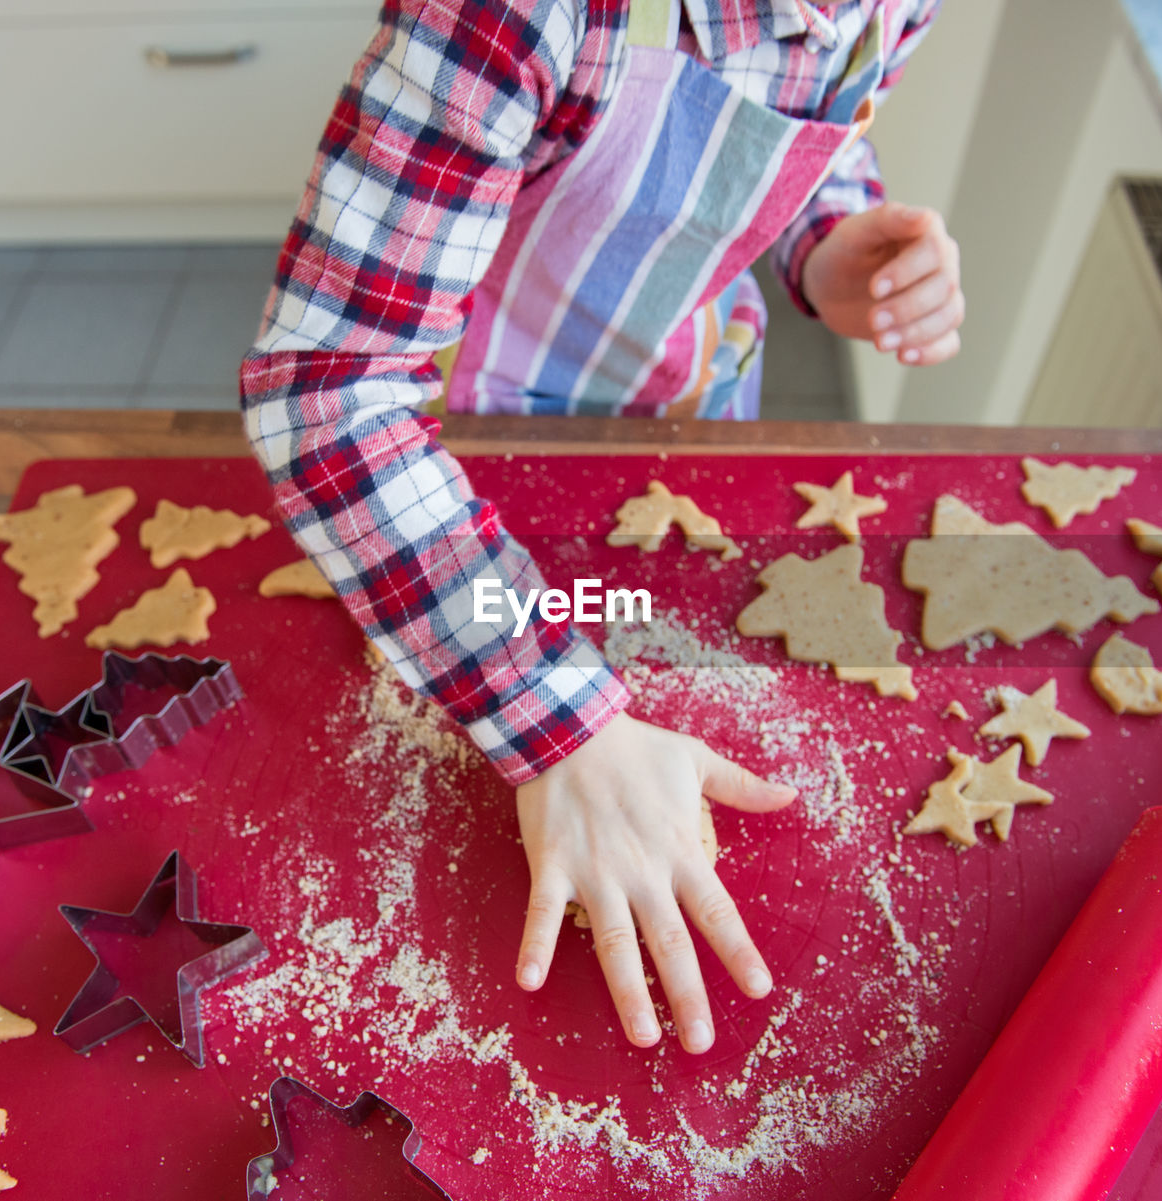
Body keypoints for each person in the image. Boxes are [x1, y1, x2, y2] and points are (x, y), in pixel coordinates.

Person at [240, 0, 963, 1058]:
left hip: (679, 416)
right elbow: (325, 386)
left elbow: (803, 125)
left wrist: (824, 241)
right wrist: (552, 718)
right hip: (436, 484)